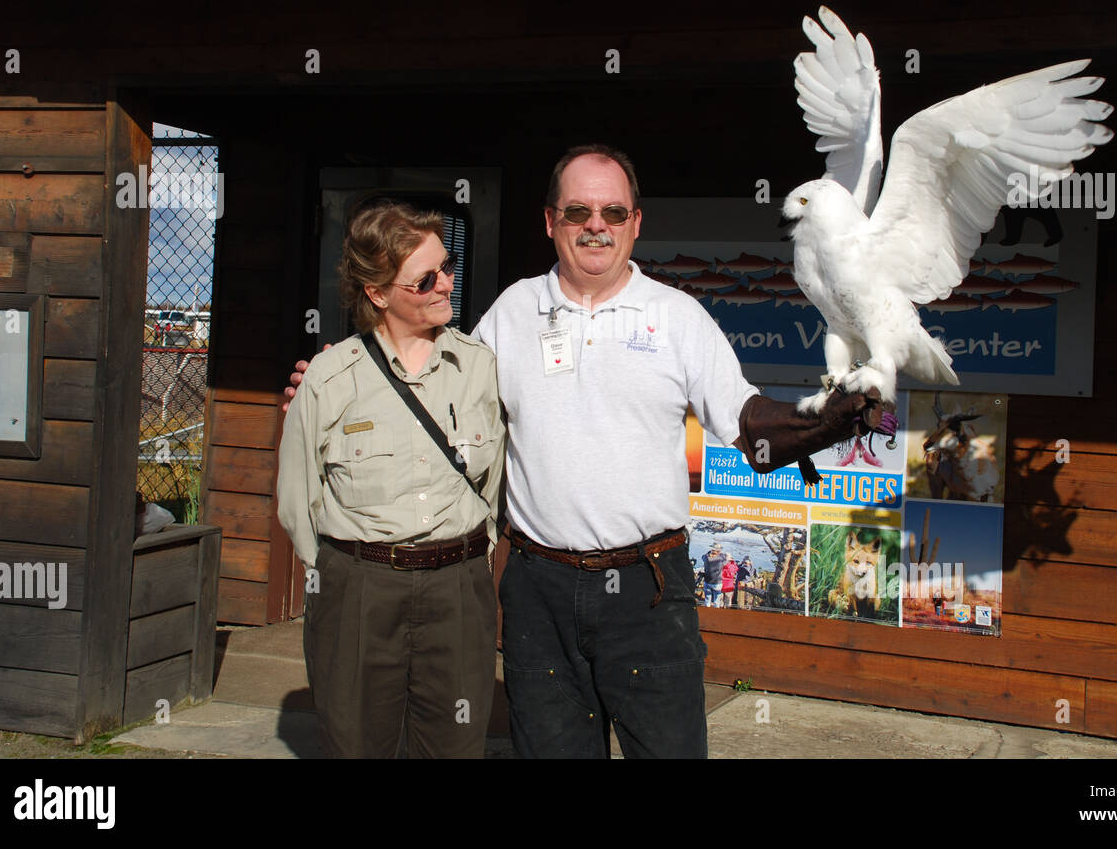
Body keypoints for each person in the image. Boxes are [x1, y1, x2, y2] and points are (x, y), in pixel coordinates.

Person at [286, 144, 889, 758]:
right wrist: (332, 387)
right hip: (536, 593)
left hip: (649, 595)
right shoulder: (510, 315)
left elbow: (751, 432)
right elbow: (422, 378)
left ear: (635, 222)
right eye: (578, 212)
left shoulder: (678, 317)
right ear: (551, 222)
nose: (596, 225)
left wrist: (831, 420)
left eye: (613, 212)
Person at [276, 197, 505, 758]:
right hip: (359, 589)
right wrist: (342, 577)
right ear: (377, 294)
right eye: (425, 279)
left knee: (456, 746)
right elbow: (296, 500)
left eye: (447, 268)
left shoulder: (481, 366)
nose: (446, 284)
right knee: (356, 746)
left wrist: (477, 557)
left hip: (459, 586)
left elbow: (494, 479)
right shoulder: (329, 378)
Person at [701, 543, 725, 607]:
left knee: (707, 599)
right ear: (718, 551)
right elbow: (725, 559)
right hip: (717, 583)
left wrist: (709, 552)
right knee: (716, 601)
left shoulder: (706, 558)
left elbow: (703, 556)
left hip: (707, 581)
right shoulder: (720, 560)